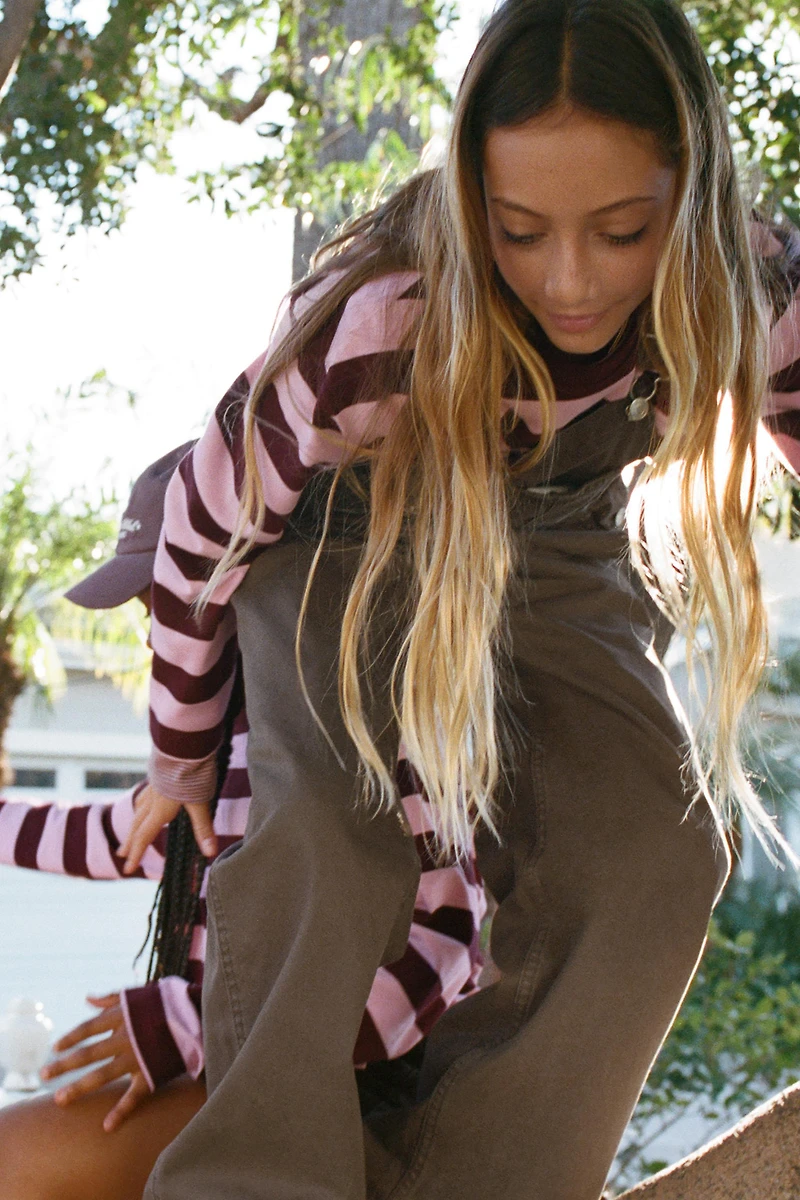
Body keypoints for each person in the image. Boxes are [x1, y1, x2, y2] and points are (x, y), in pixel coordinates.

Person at [124, 0, 800, 1196]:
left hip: (561, 538)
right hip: (356, 533)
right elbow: (200, 537)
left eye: (622, 229)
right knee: (334, 821)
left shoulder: (750, 289)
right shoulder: (382, 319)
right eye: (520, 229)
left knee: (658, 849)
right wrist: (180, 757)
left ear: (687, 195)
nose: (571, 282)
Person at [0, 449, 486, 1200]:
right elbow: (105, 837)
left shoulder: (376, 737)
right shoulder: (206, 757)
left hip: (338, 1099)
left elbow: (444, 947)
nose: (151, 634)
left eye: (166, 605)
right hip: (225, 1075)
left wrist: (192, 1026)